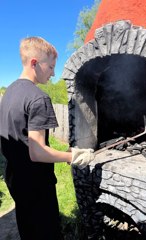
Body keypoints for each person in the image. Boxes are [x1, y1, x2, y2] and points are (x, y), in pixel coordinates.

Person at [0, 36, 94, 240]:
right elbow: (37, 152)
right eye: (51, 67)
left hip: (16, 177)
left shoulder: (9, 93)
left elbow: (20, 140)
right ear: (35, 63)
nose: (53, 73)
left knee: (28, 229)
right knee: (46, 232)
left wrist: (64, 152)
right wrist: (73, 157)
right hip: (36, 184)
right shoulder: (38, 98)